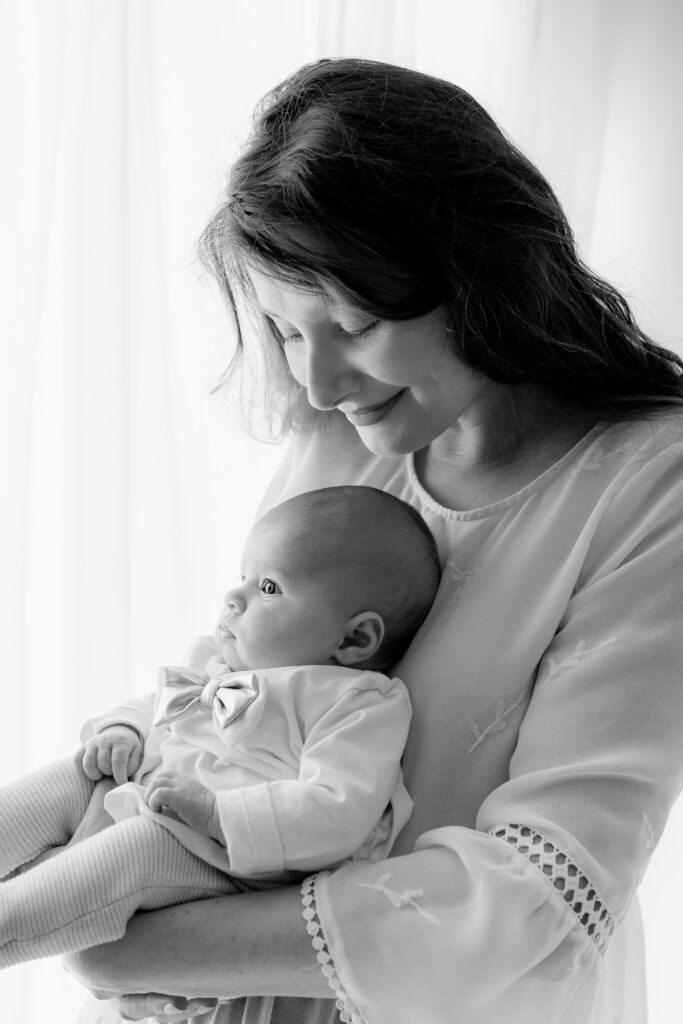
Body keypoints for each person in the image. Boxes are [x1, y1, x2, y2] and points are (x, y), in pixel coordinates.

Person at [66, 57, 683, 1024]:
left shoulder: (652, 484)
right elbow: (241, 703)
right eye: (284, 333)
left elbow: (546, 895)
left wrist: (130, 946)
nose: (317, 386)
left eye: (351, 325)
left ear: (479, 270)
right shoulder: (340, 443)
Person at [0, 485, 440, 970]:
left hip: (222, 856)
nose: (233, 596)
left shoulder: (360, 704)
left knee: (135, 852)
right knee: (71, 777)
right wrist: (124, 731)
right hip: (150, 788)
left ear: (355, 638)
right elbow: (160, 706)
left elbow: (337, 810)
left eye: (269, 587)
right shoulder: (219, 661)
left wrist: (216, 813)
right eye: (243, 577)